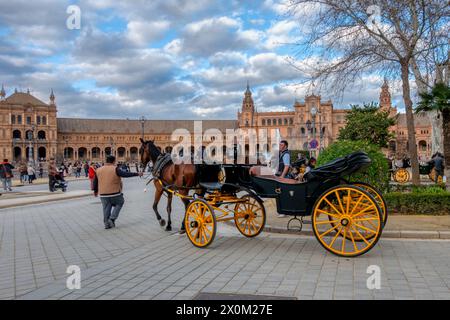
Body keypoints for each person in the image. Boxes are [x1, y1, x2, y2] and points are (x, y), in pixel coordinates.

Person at [93, 155, 143, 229]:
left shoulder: (98, 170)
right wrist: (137, 174)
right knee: (120, 202)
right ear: (113, 161)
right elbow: (125, 174)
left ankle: (106, 224)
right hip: (114, 192)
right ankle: (112, 219)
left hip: (103, 193)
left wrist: (95, 191)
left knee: (106, 207)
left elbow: (95, 181)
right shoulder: (115, 169)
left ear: (106, 161)